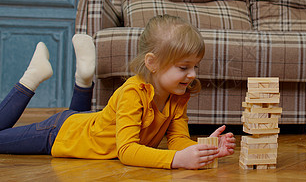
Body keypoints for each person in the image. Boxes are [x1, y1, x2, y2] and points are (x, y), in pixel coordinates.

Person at [0, 14, 236, 169]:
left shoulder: (178, 95)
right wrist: (176, 160)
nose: (193, 74)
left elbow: (176, 140)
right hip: (59, 133)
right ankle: (30, 79)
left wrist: (203, 148)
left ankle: (84, 79)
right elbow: (127, 151)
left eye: (195, 66)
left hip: (85, 125)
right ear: (151, 63)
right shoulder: (133, 93)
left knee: (82, 119)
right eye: (184, 67)